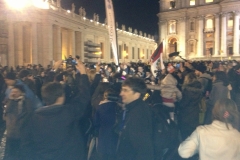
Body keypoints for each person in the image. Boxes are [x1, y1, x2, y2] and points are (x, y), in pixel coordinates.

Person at [21, 60, 90, 160]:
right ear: (62, 96)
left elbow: (26, 146)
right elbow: (84, 96)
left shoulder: (32, 118)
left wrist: (53, 70)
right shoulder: (68, 113)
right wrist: (83, 74)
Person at [117, 77, 154, 160]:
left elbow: (143, 148)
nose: (121, 93)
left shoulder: (139, 114)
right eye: (122, 90)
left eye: (125, 90)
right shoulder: (134, 109)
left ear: (137, 94)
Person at [3, 85, 33, 160]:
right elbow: (6, 113)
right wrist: (10, 100)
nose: (14, 93)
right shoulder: (9, 101)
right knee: (10, 152)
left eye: (16, 91)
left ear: (21, 93)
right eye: (13, 91)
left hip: (22, 131)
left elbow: (29, 113)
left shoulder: (26, 101)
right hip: (11, 131)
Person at [94, 88, 119, 160]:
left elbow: (96, 121)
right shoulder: (118, 107)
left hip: (102, 132)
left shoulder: (100, 106)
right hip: (114, 132)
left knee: (102, 153)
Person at [178, 72, 202, 140]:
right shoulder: (199, 90)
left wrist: (177, 101)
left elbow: (183, 104)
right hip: (195, 114)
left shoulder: (187, 91)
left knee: (185, 136)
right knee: (193, 135)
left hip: (186, 115)